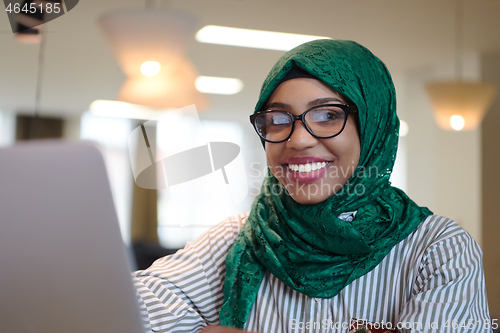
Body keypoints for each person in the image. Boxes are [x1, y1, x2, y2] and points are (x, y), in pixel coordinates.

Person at [132, 39, 492, 333]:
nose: (299, 139)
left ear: (371, 128)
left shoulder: (439, 250)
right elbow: (122, 307)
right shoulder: (241, 239)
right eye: (277, 119)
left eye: (327, 115)